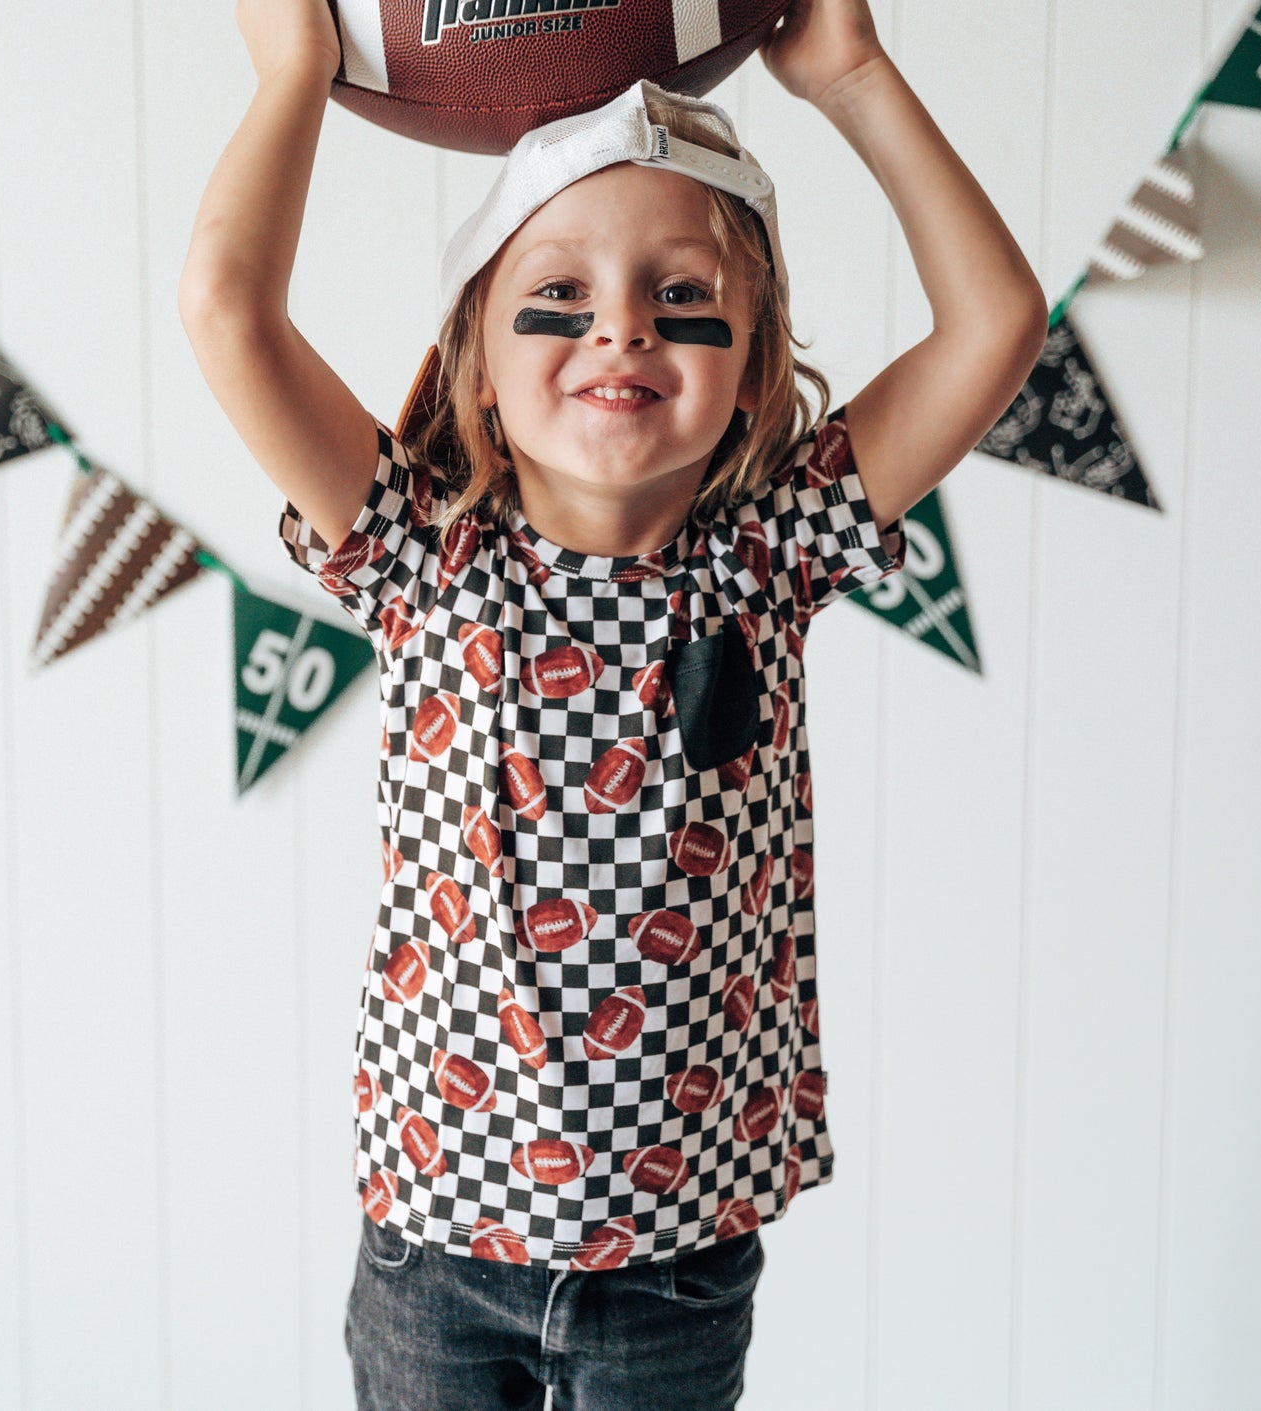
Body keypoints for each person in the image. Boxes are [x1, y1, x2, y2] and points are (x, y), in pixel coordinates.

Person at [179, 1, 1047, 1406]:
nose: (621, 328)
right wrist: (291, 76)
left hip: (675, 1254)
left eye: (685, 299)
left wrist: (854, 76)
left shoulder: (769, 555)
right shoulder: (424, 556)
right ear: (475, 360)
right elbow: (228, 311)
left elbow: (997, 321)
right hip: (433, 1242)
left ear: (755, 361)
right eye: (556, 300)